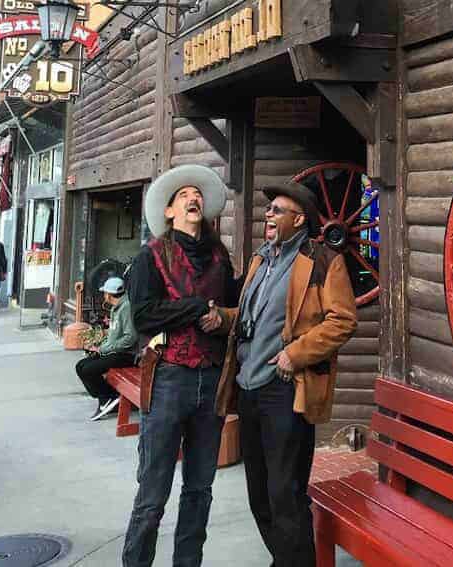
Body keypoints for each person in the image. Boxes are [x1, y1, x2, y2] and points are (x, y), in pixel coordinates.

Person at [214, 180, 358, 567]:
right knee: (259, 494)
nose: (269, 216)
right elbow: (251, 318)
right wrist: (221, 318)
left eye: (277, 210)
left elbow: (342, 320)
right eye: (269, 211)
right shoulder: (261, 260)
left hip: (285, 389)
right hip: (248, 387)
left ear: (299, 219)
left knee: (286, 493)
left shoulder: (324, 261)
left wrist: (296, 354)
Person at [122, 164, 237, 567]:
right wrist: (194, 309)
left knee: (199, 490)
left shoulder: (221, 257)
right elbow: (142, 316)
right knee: (153, 495)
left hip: (211, 379)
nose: (194, 198)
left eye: (198, 195)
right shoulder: (150, 256)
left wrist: (219, 318)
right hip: (170, 378)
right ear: (169, 211)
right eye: (184, 195)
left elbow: (234, 311)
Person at [74, 276, 138, 421]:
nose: (104, 296)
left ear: (109, 294)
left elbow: (130, 338)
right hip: (114, 352)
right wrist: (101, 346)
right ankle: (108, 396)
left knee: (89, 370)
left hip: (126, 355)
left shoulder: (126, 308)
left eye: (104, 293)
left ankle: (107, 397)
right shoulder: (117, 308)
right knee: (81, 366)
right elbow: (115, 334)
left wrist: (106, 349)